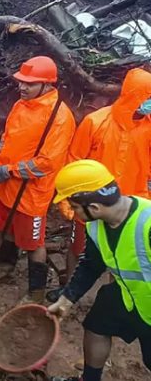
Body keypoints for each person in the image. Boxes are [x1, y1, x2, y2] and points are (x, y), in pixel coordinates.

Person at [48, 159, 151, 381]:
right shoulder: (96, 224)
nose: (73, 213)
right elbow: (92, 264)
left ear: (93, 207)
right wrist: (66, 300)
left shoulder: (148, 223)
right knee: (97, 324)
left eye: (74, 207)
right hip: (128, 295)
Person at [53, 68, 151, 297]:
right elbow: (74, 161)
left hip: (130, 206)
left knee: (123, 254)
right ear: (134, 96)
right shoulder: (95, 122)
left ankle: (116, 295)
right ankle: (69, 291)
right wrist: (67, 200)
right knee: (78, 248)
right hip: (89, 203)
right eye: (148, 98)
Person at [0, 56, 76, 304]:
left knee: (34, 243)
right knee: (6, 230)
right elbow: (6, 138)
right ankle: (4, 268)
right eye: (21, 82)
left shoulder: (59, 117)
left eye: (29, 83)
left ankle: (35, 293)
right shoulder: (21, 105)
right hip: (4, 187)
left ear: (47, 85)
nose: (22, 87)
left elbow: (47, 162)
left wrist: (10, 170)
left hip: (30, 193)